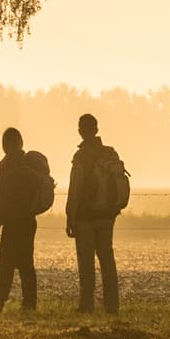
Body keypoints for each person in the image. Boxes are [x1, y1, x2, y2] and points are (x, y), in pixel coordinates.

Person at [65, 111, 132, 313]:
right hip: (107, 216)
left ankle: (86, 306)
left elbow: (74, 189)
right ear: (96, 129)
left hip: (85, 217)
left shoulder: (81, 156)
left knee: (86, 264)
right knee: (107, 260)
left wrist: (70, 217)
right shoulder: (110, 154)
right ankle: (112, 306)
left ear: (80, 131)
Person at [0, 125, 52, 312]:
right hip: (28, 222)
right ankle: (29, 304)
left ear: (6, 145)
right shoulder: (28, 165)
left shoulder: (7, 167)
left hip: (13, 222)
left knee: (5, 266)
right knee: (26, 265)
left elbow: (1, 198)